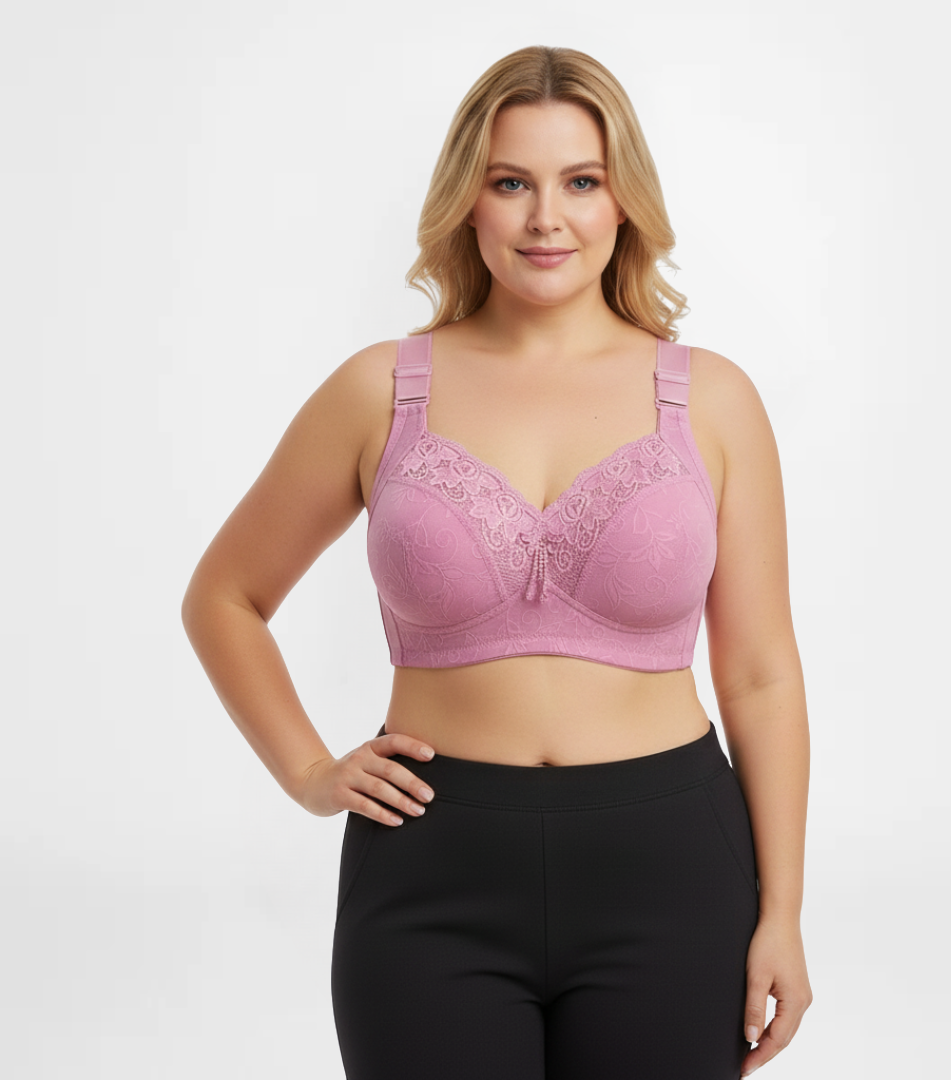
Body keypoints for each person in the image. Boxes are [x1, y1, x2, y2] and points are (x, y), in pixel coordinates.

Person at [181, 44, 811, 1080]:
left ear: (625, 201)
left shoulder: (713, 400)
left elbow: (760, 674)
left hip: (670, 870)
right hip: (431, 867)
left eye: (581, 182)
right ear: (467, 200)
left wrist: (782, 911)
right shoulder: (381, 391)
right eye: (511, 182)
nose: (545, 218)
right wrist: (308, 771)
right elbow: (225, 595)